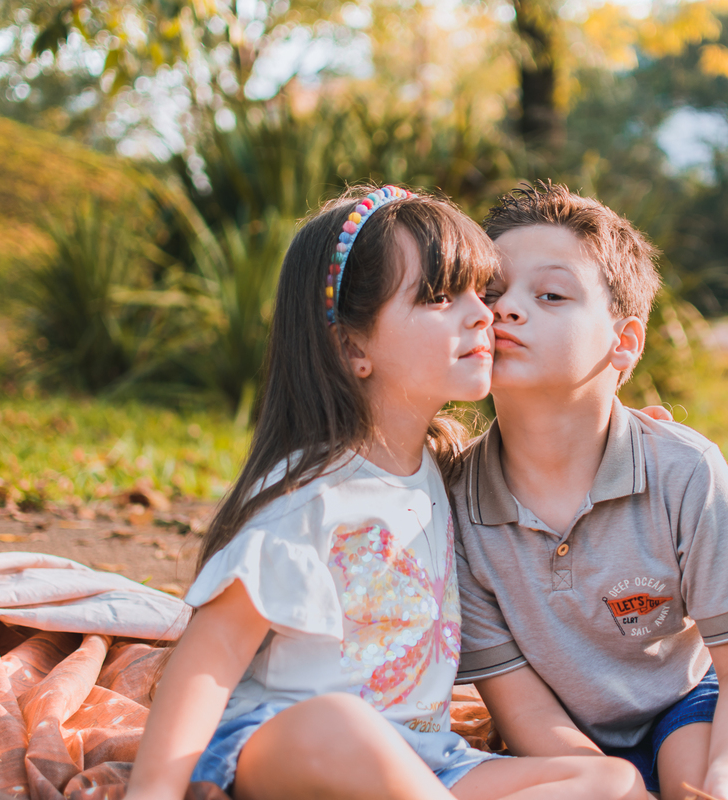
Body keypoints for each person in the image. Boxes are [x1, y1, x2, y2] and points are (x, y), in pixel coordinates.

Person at [122, 186, 647, 800]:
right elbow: (206, 662)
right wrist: (152, 792)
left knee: (609, 779)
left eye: (483, 292)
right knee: (342, 724)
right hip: (292, 746)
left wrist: (630, 429)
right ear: (353, 347)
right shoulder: (309, 493)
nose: (484, 315)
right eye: (440, 297)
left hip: (429, 762)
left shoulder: (444, 469)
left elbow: (559, 447)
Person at [450, 182, 728, 800]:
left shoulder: (683, 470)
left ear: (623, 343)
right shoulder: (456, 499)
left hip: (695, 702)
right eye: (493, 293)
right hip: (566, 735)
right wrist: (605, 784)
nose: (507, 310)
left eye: (550, 294)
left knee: (698, 784)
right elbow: (519, 703)